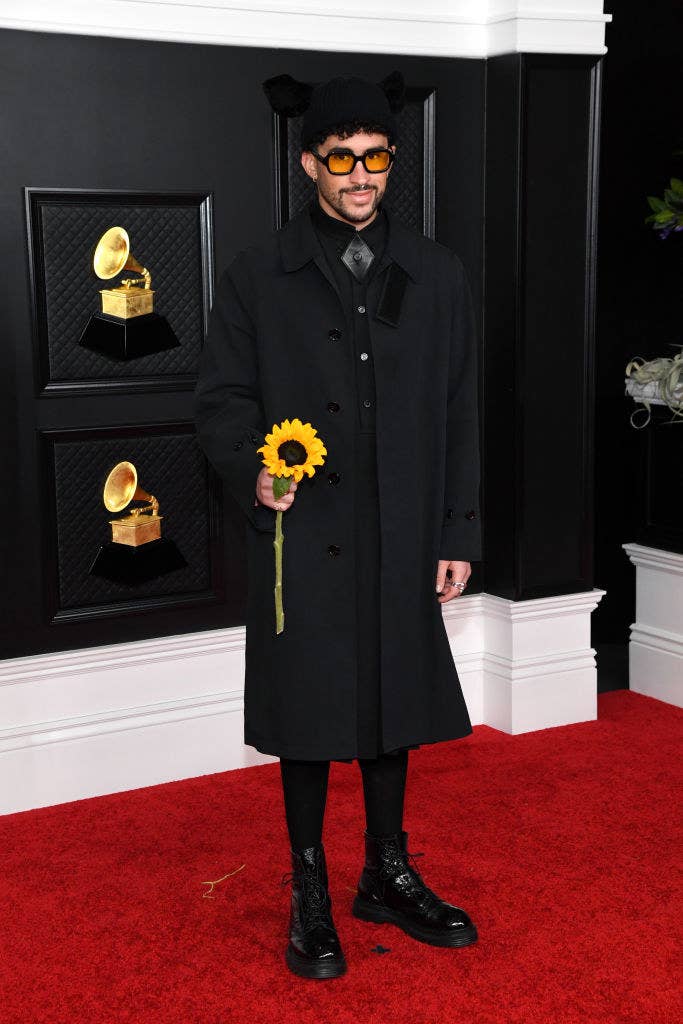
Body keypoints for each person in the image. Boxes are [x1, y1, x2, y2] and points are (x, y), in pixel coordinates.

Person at [193, 72, 482, 980]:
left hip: (402, 527)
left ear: (390, 162)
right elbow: (221, 404)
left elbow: (459, 406)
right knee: (311, 709)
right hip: (301, 531)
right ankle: (309, 884)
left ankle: (386, 873)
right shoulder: (255, 275)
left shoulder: (436, 273)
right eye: (343, 159)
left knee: (392, 697)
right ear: (310, 162)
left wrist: (456, 528)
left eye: (377, 158)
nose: (361, 176)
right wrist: (257, 475)